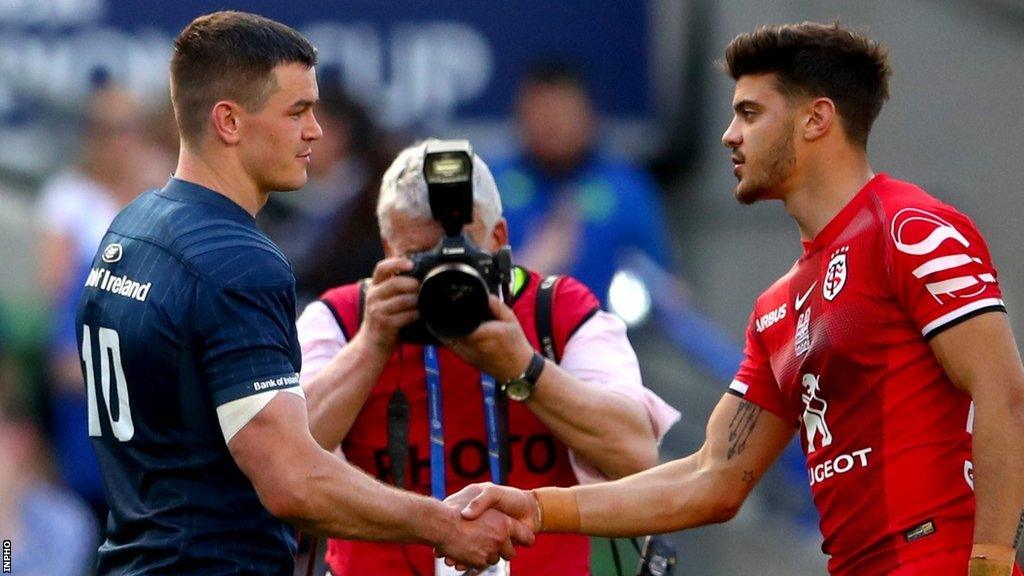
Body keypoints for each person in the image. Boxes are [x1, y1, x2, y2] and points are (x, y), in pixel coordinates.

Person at [446, 22, 1024, 576]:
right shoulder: (777, 307)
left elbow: (1004, 393)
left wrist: (991, 565)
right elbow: (709, 476)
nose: (730, 134)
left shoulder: (910, 227)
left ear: (816, 119)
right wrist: (539, 507)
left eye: (750, 113)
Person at [75, 11, 530, 575]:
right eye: (297, 112)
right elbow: (292, 480)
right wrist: (442, 524)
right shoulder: (236, 259)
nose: (315, 130)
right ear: (229, 122)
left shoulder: (130, 227)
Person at [296, 138, 680, 575]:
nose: (444, 272)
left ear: (499, 237)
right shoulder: (342, 318)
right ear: (388, 249)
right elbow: (289, 463)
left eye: (462, 252)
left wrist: (525, 368)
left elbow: (635, 455)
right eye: (421, 257)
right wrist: (371, 345)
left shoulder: (555, 310)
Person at [489, 61, 674, 306]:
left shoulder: (627, 187)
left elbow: (667, 287)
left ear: (591, 116)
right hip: (511, 336)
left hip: (607, 337)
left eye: (564, 112)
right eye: (542, 112)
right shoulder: (491, 182)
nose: (552, 125)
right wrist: (535, 263)